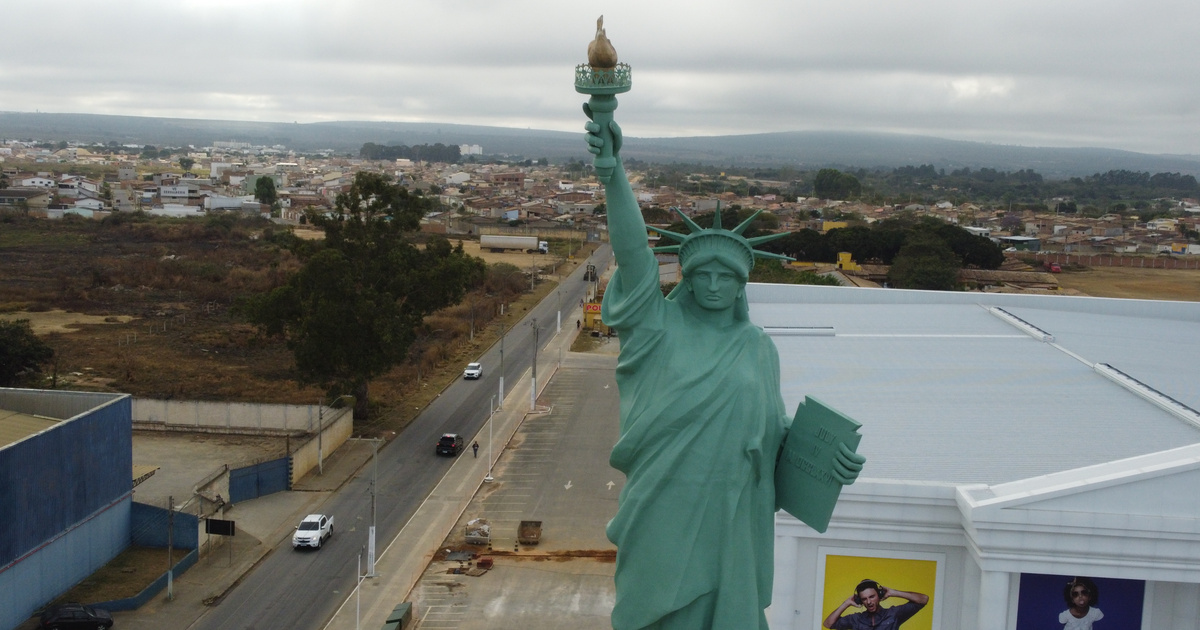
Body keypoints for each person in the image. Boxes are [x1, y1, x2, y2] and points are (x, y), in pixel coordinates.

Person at [585, 115, 864, 630]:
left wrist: (832, 462)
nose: (714, 285)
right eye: (703, 275)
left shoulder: (756, 347)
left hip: (735, 507)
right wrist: (613, 171)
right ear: (686, 282)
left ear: (741, 287)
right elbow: (632, 252)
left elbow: (774, 431)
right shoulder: (657, 330)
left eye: (727, 277)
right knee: (648, 612)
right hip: (664, 500)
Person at [823, 579, 929, 630]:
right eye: (864, 599)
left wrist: (894, 592)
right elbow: (828, 624)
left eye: (872, 597)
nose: (868, 602)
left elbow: (923, 599)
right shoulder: (855, 619)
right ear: (860, 600)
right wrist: (846, 603)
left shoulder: (894, 614)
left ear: (879, 595)